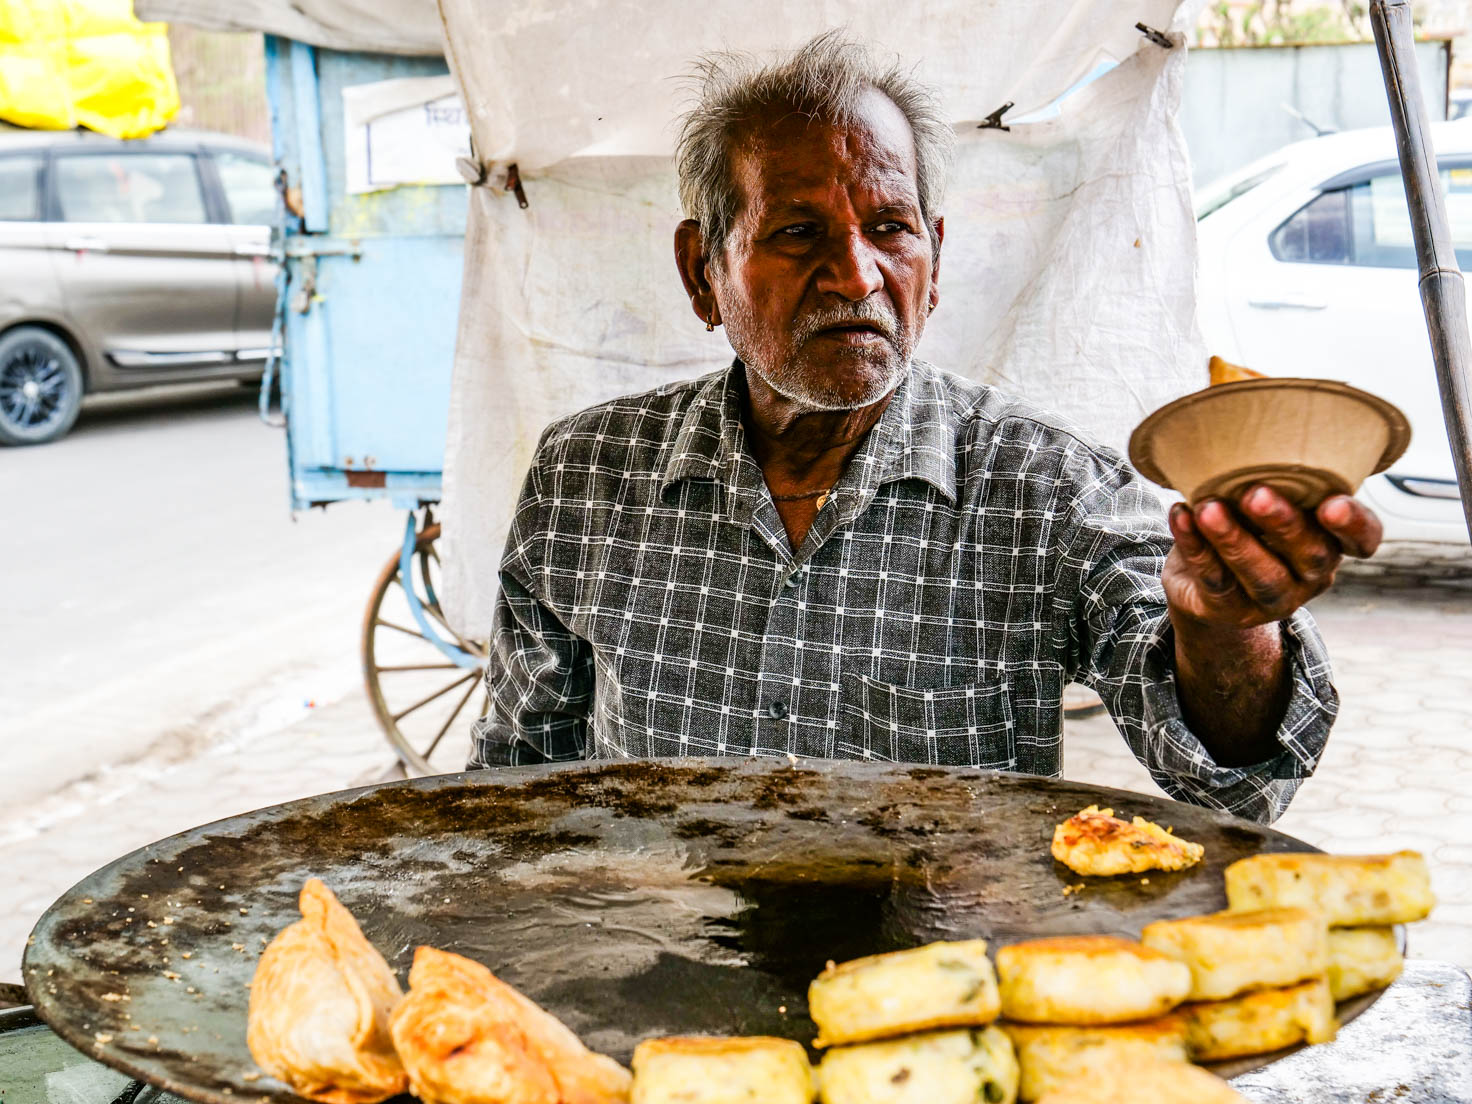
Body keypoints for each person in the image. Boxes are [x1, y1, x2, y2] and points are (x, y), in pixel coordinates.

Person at [469, 32, 1381, 824]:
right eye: (796, 231)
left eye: (891, 227)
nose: (857, 275)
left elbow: (1235, 787)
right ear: (702, 272)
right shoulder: (587, 475)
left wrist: (1222, 626)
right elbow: (516, 784)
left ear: (934, 261)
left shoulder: (1047, 487)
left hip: (937, 998)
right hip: (662, 980)